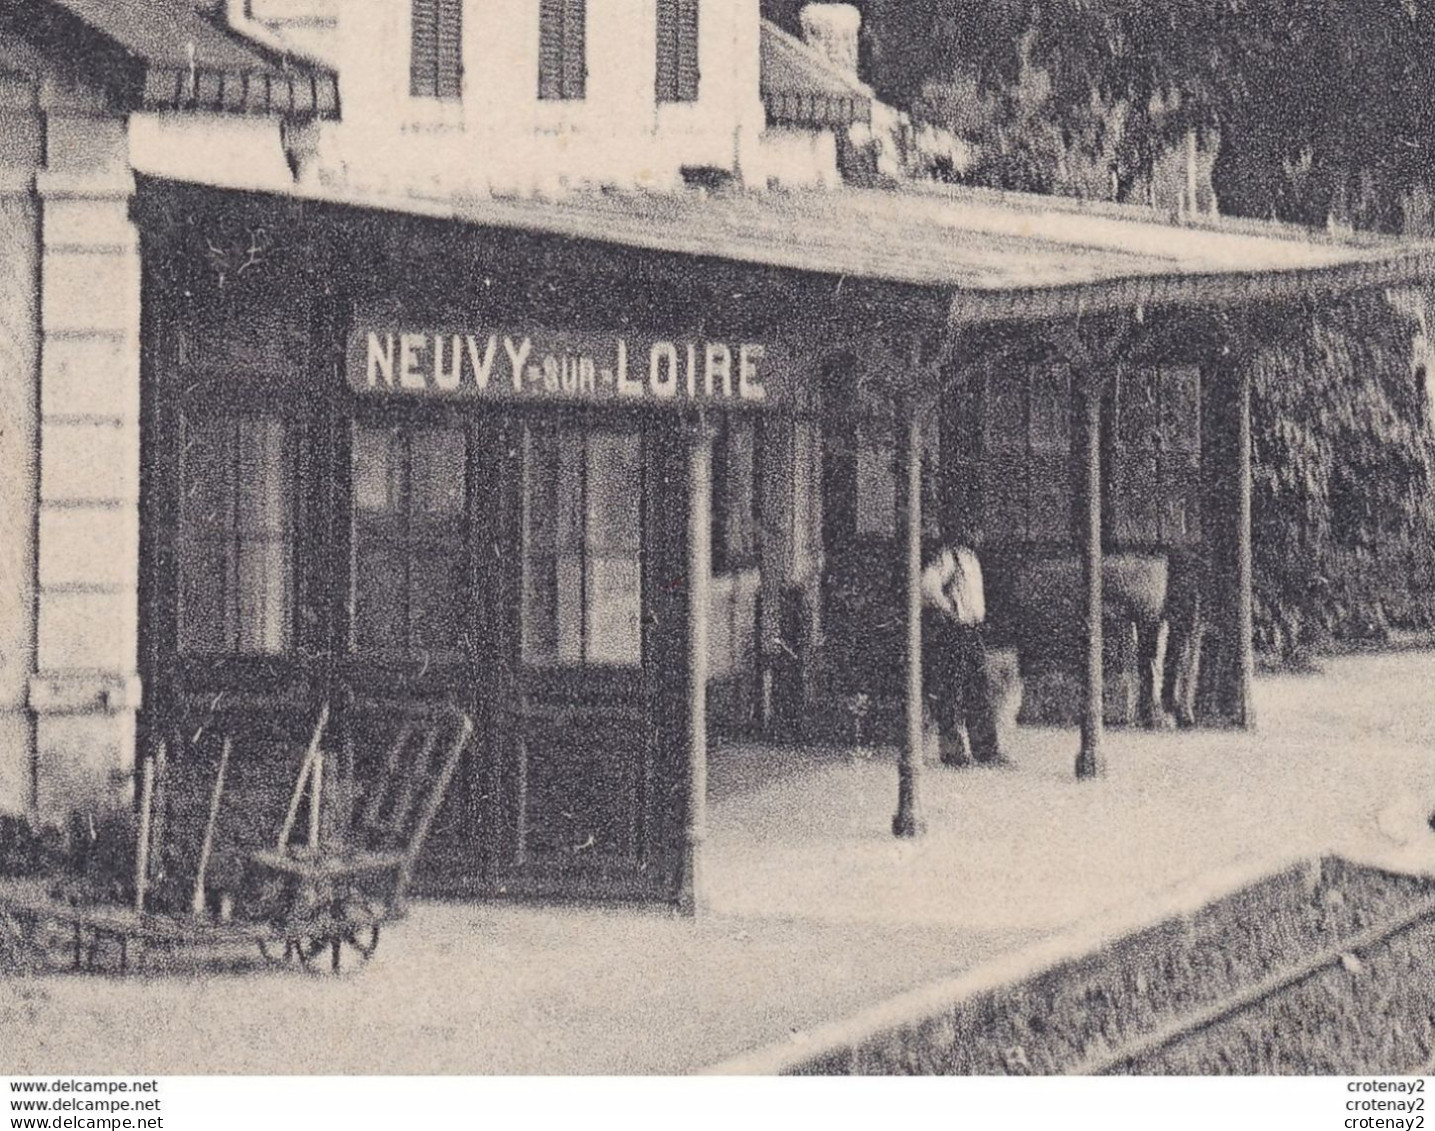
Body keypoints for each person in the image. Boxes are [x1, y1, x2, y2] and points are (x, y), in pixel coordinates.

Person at [920, 527, 1008, 767]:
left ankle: (986, 750)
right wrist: (949, 608)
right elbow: (927, 585)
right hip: (955, 631)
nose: (979, 535)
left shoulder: (971, 559)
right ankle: (953, 753)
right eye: (974, 531)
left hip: (972, 631)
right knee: (952, 691)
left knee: (978, 690)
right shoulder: (950, 557)